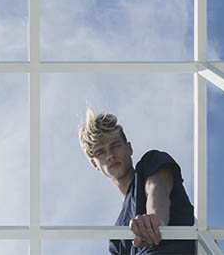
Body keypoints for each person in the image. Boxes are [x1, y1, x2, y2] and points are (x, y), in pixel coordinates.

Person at [78, 107, 196, 255]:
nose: (110, 155)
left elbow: (156, 186)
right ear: (94, 164)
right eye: (100, 152)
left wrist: (155, 218)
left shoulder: (150, 162)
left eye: (115, 145)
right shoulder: (116, 236)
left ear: (129, 148)